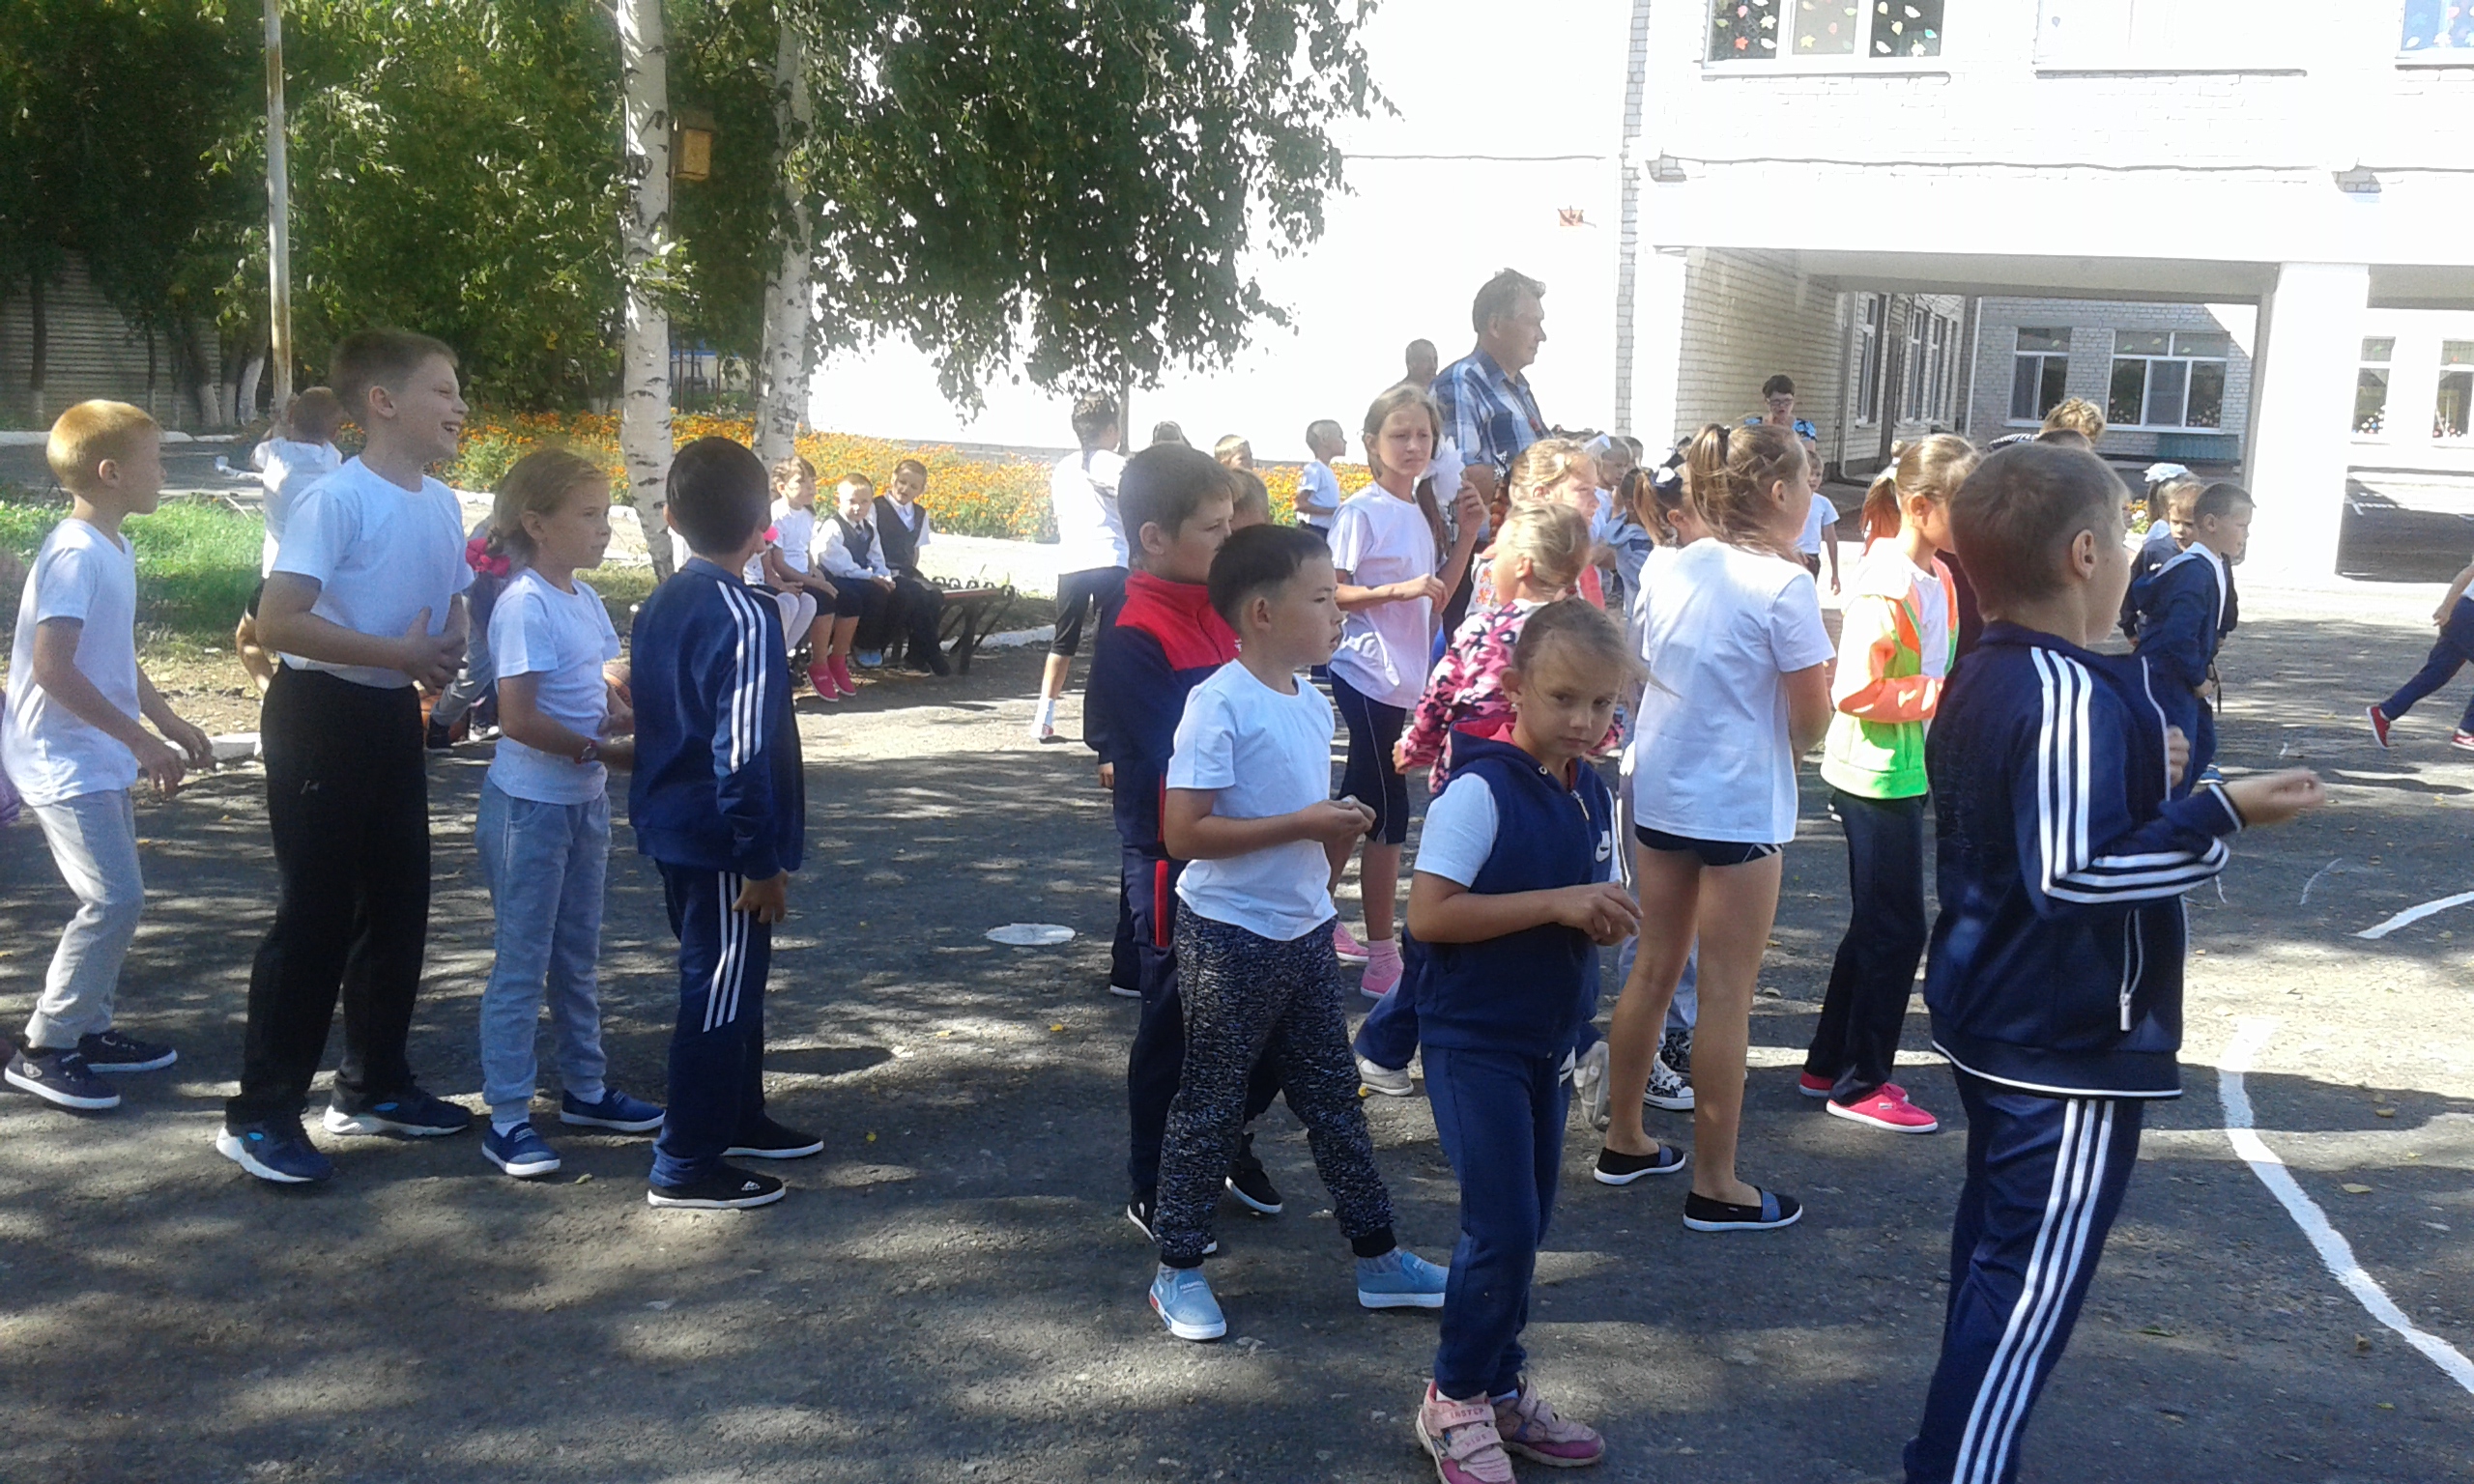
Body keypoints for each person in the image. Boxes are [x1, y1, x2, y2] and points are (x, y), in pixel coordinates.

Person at [1901, 442, 2322, 1484]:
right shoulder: (2061, 689)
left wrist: (2150, 773)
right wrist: (2221, 811)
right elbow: (2073, 874)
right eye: (2125, 542)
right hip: (2064, 1037)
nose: (2135, 561)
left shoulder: (2002, 671)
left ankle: (1950, 1452)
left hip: (2004, 1015)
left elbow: (2036, 819)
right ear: (2084, 554)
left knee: (2000, 1267)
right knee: (2025, 1294)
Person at [1145, 524, 1450, 1341]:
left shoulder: (1312, 705)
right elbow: (1182, 833)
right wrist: (1307, 823)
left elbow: (1307, 849)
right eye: (1321, 599)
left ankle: (1379, 1258)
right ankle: (1177, 1268)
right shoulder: (1218, 703)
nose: (1337, 614)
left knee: (1335, 1102)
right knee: (1212, 1103)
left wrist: (1335, 834)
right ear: (1262, 613)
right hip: (1229, 936)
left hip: (1304, 933)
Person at [218, 329, 476, 1184]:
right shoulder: (335, 499)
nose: (460, 406)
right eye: (443, 390)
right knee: (316, 914)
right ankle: (260, 1116)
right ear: (383, 403)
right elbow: (279, 622)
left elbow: (452, 604)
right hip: (319, 716)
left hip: (389, 713)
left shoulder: (441, 502)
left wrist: (444, 646)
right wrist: (399, 653)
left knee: (398, 904)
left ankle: (372, 1086)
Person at [1404, 599, 1635, 1482]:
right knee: (1498, 1226)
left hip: (1547, 1040)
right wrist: (1558, 905)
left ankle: (1500, 1386)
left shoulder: (1590, 791)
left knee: (1528, 1222)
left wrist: (1599, 916)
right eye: (1563, 698)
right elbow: (1431, 916)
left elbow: (1577, 900)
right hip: (1474, 1040)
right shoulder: (1480, 789)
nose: (1583, 720)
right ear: (1514, 688)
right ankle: (1454, 1398)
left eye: (1602, 704)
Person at [1596, 422, 1833, 1232]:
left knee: (1653, 969)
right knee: (1727, 993)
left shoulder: (1669, 564)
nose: (1811, 497)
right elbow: (1812, 717)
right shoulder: (1784, 584)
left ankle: (1625, 1138)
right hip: (1738, 803)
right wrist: (1785, 745)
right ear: (1779, 492)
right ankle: (1716, 1182)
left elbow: (1639, 666)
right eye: (1806, 483)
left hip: (1661, 789)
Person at [1080, 445, 1286, 1241]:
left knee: (1274, 1012)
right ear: (1155, 538)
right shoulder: (1135, 631)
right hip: (1175, 856)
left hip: (1248, 844)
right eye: (1214, 528)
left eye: (1233, 523)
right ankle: (1154, 1178)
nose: (1230, 540)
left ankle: (1226, 1133)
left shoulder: (1222, 610)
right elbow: (1176, 755)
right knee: (1177, 1020)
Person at [2, 401, 214, 1112]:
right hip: (59, 756)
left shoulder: (113, 546)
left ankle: (89, 1029)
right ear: (111, 472)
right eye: (157, 462)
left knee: (118, 895)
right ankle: (46, 1046)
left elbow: (111, 652)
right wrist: (140, 741)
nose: (165, 474)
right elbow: (52, 667)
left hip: (92, 751)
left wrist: (166, 718)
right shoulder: (75, 552)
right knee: (113, 898)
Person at [628, 437, 820, 1210]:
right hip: (721, 842)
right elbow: (739, 753)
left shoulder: (662, 602)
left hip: (680, 825)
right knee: (716, 989)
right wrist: (759, 858)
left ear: (671, 518)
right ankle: (685, 1162)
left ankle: (738, 1114)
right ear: (762, 523)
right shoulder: (744, 613)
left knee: (736, 979)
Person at [1354, 502, 1597, 1100]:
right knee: (1518, 917)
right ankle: (1569, 1039)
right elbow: (1605, 716)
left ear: (1523, 564)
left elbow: (1442, 695)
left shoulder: (1484, 628)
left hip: (1471, 783)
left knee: (1447, 924)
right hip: (1546, 792)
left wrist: (1415, 745)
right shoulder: (1583, 632)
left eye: (1496, 551)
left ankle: (1388, 1046)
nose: (1488, 560)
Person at [469, 450, 663, 1178]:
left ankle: (585, 1089)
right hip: (529, 809)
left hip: (582, 803)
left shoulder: (580, 597)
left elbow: (590, 685)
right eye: (588, 514)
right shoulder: (524, 603)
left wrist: (619, 714)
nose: (604, 527)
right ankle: (508, 1117)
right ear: (536, 524)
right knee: (522, 963)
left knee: (577, 956)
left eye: (606, 513)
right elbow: (517, 718)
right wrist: (604, 751)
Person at [1798, 434, 1974, 1135]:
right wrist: (1942, 696)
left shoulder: (1940, 575)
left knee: (1878, 925)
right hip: (1872, 775)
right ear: (1922, 506)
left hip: (1905, 770)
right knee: (1897, 931)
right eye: (1966, 504)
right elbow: (1853, 689)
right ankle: (1861, 1082)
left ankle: (1827, 1065)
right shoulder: (1886, 584)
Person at [1327, 384, 1486, 998]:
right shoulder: (1361, 511)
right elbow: (1330, 591)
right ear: (1372, 443)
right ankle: (1381, 956)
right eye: (1400, 434)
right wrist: (1396, 591)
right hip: (1365, 671)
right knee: (1388, 809)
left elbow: (1438, 595)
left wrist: (1467, 534)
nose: (1414, 445)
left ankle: (1307, 915)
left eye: (1424, 435)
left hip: (1404, 677)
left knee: (1358, 801)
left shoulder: (1420, 511)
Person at [2128, 481, 2252, 794]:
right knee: (2174, 761)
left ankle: (2168, 806)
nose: (2246, 534)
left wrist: (2206, 664)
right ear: (2211, 523)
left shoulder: (2214, 563)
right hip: (2166, 676)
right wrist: (2197, 678)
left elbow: (2202, 628)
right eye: (2241, 526)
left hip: (2183, 673)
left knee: (2203, 744)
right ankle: (2159, 812)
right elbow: (2178, 635)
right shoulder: (2194, 571)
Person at [1034, 395, 1130, 742]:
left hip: (1072, 561)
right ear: (1111, 429)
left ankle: (1044, 715)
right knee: (1111, 643)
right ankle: (1107, 718)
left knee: (1063, 641)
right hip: (1112, 558)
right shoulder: (1117, 465)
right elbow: (1131, 508)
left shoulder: (1063, 468)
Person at [237, 388, 345, 693]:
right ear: (334, 433)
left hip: (276, 571)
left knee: (248, 640)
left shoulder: (273, 452)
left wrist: (278, 425)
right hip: (323, 574)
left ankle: (272, 695)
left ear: (292, 418)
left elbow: (254, 458)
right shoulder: (332, 459)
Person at [756, 454, 844, 697]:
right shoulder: (776, 516)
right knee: (821, 599)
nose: (810, 488)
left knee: (841, 597)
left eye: (812, 482)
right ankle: (813, 663)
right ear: (782, 488)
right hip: (783, 576)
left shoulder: (807, 514)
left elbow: (804, 548)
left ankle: (797, 658)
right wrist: (817, 583)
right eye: (801, 482)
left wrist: (815, 569)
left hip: (803, 572)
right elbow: (778, 563)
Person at [2369, 551, 2474, 750]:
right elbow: (2470, 572)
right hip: (2469, 613)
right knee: (2437, 673)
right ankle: (2467, 731)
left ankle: (2385, 713)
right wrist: (2446, 607)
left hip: (2462, 613)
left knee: (2436, 673)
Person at [816, 473, 902, 694]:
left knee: (889, 593)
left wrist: (885, 577)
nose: (858, 507)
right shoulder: (833, 527)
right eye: (852, 501)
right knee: (856, 598)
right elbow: (839, 564)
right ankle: (844, 653)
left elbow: (877, 558)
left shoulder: (869, 528)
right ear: (838, 501)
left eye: (864, 502)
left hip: (860, 576)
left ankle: (872, 644)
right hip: (837, 577)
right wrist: (870, 578)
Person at [874, 457, 951, 674]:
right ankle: (932, 653)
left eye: (913, 486)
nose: (905, 489)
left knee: (933, 594)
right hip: (882, 568)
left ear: (921, 490)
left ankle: (917, 655)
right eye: (902, 482)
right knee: (913, 594)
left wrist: (910, 570)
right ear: (893, 479)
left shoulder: (919, 514)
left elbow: (915, 549)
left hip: (906, 569)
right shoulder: (876, 507)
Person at [2119, 474, 2201, 643]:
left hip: (2195, 636)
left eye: (2189, 524)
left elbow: (2225, 592)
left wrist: (2221, 630)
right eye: (2175, 522)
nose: (2180, 530)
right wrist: (2129, 627)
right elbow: (2132, 586)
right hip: (2155, 633)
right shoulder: (2157, 549)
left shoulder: (2213, 553)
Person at [1795, 442, 1842, 594]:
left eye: (1818, 475)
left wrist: (1835, 573)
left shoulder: (1823, 503)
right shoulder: (1788, 500)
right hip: (1789, 556)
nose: (1813, 479)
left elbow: (1831, 539)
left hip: (1811, 558)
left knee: (1805, 596)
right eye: (1809, 473)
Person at [1296, 419, 1346, 538]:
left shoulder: (1326, 470)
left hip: (1324, 532)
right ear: (1324, 440)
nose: (1345, 441)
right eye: (1340, 436)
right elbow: (1299, 504)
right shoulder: (1315, 469)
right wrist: (1334, 511)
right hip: (1313, 532)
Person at [1745, 373, 1821, 441]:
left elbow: (1808, 452)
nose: (1781, 405)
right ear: (1766, 402)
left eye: (1787, 401)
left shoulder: (1804, 427)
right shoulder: (1752, 427)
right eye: (1776, 401)